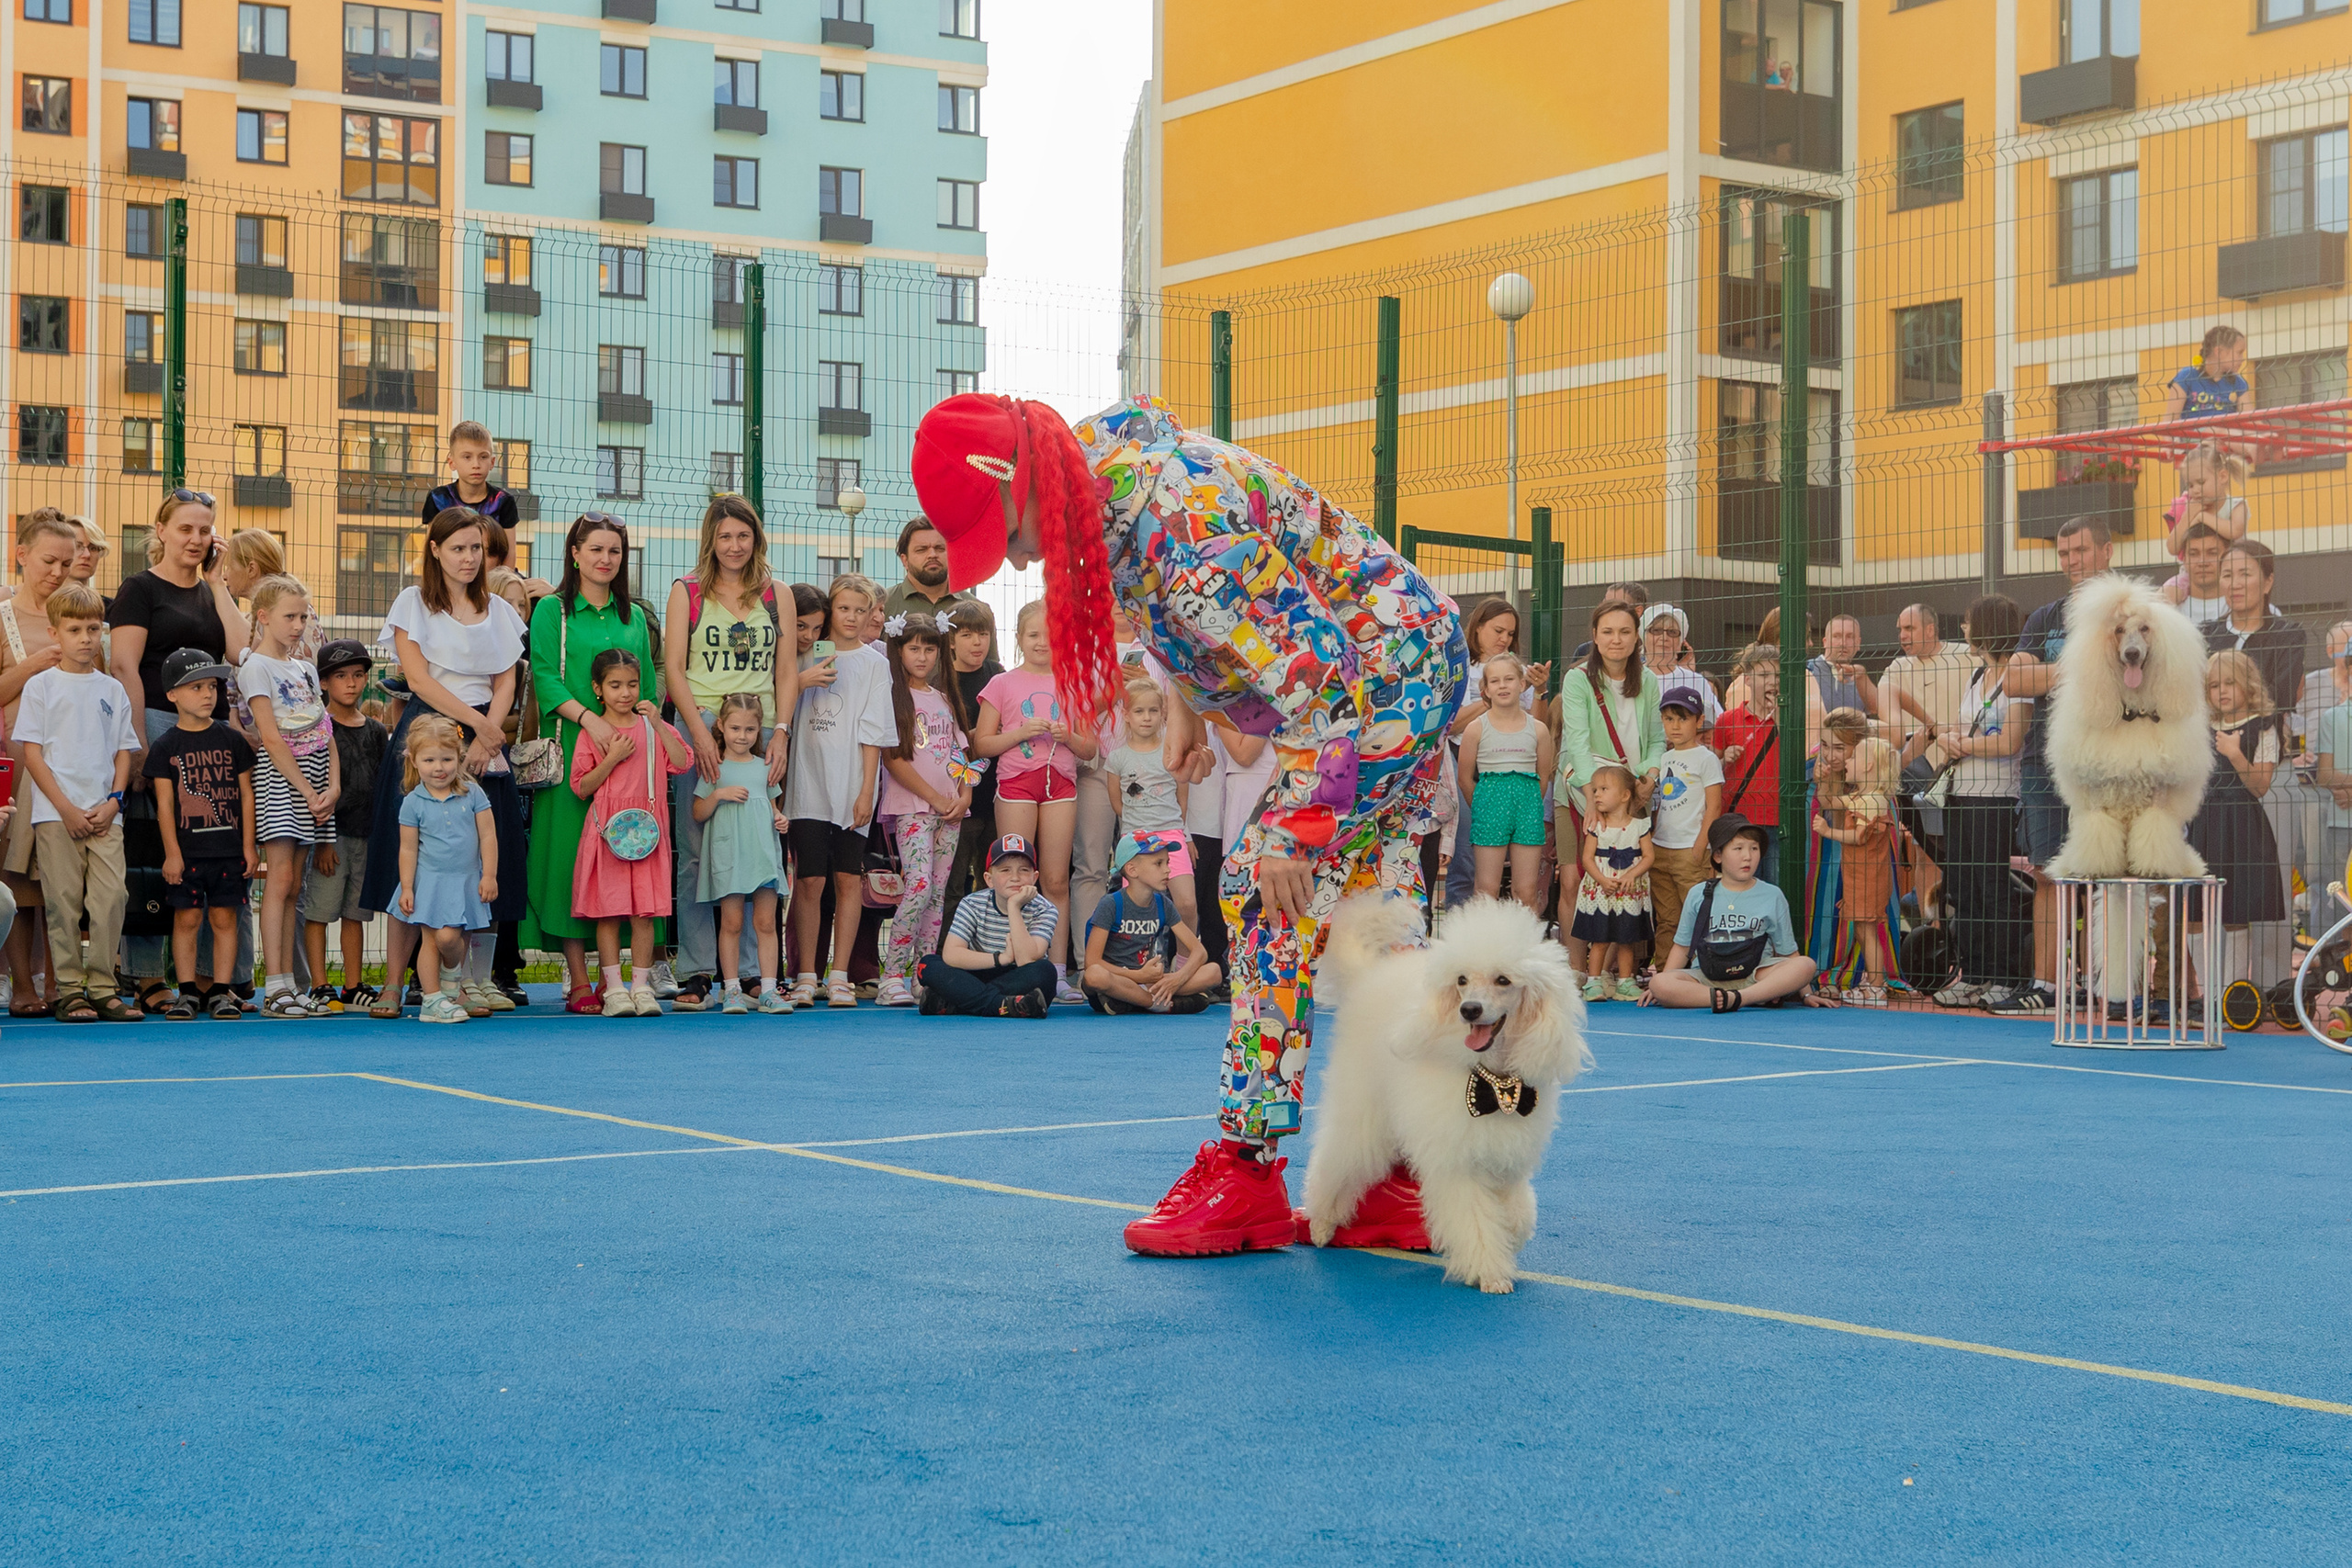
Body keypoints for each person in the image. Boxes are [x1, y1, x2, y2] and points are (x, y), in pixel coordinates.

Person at [910, 391, 1464, 1257]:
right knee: (1379, 915)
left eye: (1006, 531)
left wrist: (1294, 827)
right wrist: (1195, 709)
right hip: (1401, 656)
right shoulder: (1100, 480)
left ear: (1023, 479)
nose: (1015, 556)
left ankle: (1248, 1169)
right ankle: (1399, 1174)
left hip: (1385, 678)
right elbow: (1188, 619)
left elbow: (1327, 685)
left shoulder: (1185, 532)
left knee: (1262, 884)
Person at [357, 508, 529, 1021]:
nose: (468, 558)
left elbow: (506, 680)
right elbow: (421, 680)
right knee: (406, 858)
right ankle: (393, 982)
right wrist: (475, 728)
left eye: (476, 548)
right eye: (457, 548)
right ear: (435, 550)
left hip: (484, 739)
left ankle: (468, 984)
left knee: (479, 859)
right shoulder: (413, 603)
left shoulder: (499, 610)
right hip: (427, 733)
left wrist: (488, 736)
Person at [109, 489, 250, 1013]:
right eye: (186, 528)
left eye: (205, 530)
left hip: (210, 733)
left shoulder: (211, 589)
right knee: (150, 854)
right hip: (154, 723)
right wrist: (140, 743)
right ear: (162, 530)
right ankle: (146, 975)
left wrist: (217, 584)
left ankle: (218, 980)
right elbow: (125, 666)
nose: (195, 539)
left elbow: (237, 652)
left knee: (214, 850)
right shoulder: (139, 588)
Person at [662, 496, 797, 1010]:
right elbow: (674, 666)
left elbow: (786, 670)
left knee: (759, 847)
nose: (734, 546)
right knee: (698, 850)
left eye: (743, 536)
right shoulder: (688, 591)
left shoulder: (775, 593)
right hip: (700, 724)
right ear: (710, 541)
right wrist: (698, 731)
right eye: (724, 537)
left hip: (757, 728)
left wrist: (781, 730)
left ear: (755, 539)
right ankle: (698, 971)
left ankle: (751, 976)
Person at [524, 513, 657, 1014]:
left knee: (628, 861)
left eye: (615, 551)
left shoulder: (636, 617)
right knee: (570, 866)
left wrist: (642, 716)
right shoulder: (551, 611)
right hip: (573, 755)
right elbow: (543, 678)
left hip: (630, 762)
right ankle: (578, 978)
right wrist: (592, 721)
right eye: (595, 549)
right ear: (574, 553)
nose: (605, 559)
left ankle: (622, 979)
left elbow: (650, 679)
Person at [1997, 516, 2114, 1017]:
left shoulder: (2123, 611)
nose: (2071, 562)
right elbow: (2014, 682)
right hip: (2046, 761)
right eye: (2064, 553)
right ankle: (2047, 985)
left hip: (2108, 760)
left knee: (2104, 874)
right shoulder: (2045, 616)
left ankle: (2098, 981)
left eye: (2080, 551)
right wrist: (2080, 670)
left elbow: (2126, 676)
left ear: (2106, 551)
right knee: (2047, 873)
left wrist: (2044, 675)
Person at [18, 584, 142, 1021]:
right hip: (57, 815)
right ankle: (70, 989)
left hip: (106, 814)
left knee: (111, 897)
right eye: (75, 629)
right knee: (63, 901)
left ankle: (105, 988)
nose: (86, 638)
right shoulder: (41, 687)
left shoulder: (112, 689)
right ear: (56, 633)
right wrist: (66, 809)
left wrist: (113, 802)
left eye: (94, 628)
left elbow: (123, 751)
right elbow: (32, 754)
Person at [972, 600, 1095, 1003]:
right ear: (1020, 638)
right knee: (1015, 880)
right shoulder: (1003, 684)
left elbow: (1089, 748)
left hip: (1061, 785)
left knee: (1056, 880)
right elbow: (983, 743)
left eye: (1051, 634)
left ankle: (1057, 973)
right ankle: (1014, 968)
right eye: (1034, 635)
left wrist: (1068, 738)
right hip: (1015, 786)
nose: (1043, 642)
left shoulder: (1074, 681)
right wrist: (1021, 732)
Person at [783, 574, 895, 1007]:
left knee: (848, 880)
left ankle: (841, 974)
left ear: (872, 616)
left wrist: (866, 790)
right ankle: (807, 974)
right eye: (843, 608)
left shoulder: (875, 664)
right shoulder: (805, 651)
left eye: (860, 610)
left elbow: (873, 733)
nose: (851, 617)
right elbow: (781, 708)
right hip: (806, 787)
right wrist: (802, 676)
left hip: (851, 788)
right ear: (832, 610)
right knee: (809, 881)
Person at [571, 649, 695, 1018]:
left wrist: (658, 724)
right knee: (609, 913)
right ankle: (614, 988)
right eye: (614, 685)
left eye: (632, 684)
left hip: (648, 833)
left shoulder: (650, 727)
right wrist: (611, 758)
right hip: (609, 833)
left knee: (645, 915)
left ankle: (641, 986)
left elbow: (682, 761)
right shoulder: (593, 732)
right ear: (598, 688)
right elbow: (581, 786)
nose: (624, 693)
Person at [239, 576, 338, 1018]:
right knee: (278, 882)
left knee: (295, 886)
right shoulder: (255, 667)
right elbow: (270, 737)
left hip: (316, 782)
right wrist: (305, 789)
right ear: (263, 617)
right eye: (290, 617)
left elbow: (325, 729)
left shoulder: (306, 668)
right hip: (284, 781)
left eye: (304, 616)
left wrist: (331, 787)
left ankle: (291, 985)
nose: (299, 625)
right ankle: (275, 986)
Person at [144, 648, 257, 1022]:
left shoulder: (233, 740)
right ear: (172, 695)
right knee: (187, 921)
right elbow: (164, 806)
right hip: (188, 853)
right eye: (196, 687)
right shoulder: (165, 747)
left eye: (212, 686)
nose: (208, 694)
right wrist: (172, 854)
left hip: (228, 851)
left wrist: (249, 847)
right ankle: (187, 994)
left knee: (225, 920)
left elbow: (245, 795)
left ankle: (222, 993)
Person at [0, 513, 84, 1016]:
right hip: (17, 766)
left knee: (65, 877)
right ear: (22, 553)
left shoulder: (81, 612)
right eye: (48, 561)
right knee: (16, 876)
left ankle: (61, 984)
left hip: (73, 763)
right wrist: (29, 667)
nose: (57, 572)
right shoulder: (4, 617)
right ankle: (22, 987)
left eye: (67, 563)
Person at [1932, 594, 2032, 1010]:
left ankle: (2005, 977)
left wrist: (1965, 744)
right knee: (1964, 888)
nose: (1964, 630)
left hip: (1995, 797)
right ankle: (1972, 974)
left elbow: (2011, 741)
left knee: (1994, 889)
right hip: (1961, 795)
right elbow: (1955, 727)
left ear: (1988, 626)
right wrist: (1947, 739)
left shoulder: (2020, 677)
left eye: (1970, 623)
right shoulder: (1978, 676)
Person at [1555, 599, 1662, 973]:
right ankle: (1576, 971)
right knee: (1574, 880)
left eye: (1625, 632)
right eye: (1608, 632)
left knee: (1625, 881)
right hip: (1582, 791)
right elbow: (1578, 741)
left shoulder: (1648, 681)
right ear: (1595, 638)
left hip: (1632, 795)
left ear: (1637, 639)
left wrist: (1649, 777)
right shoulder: (1577, 679)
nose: (1616, 640)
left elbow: (1657, 742)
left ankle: (1612, 971)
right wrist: (1591, 797)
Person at [875, 613, 973, 1008]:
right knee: (917, 886)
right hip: (914, 808)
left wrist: (964, 795)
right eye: (913, 647)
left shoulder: (945, 699)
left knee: (937, 893)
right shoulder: (892, 697)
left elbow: (959, 753)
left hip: (951, 811)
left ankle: (923, 973)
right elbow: (894, 760)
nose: (922, 656)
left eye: (929, 648)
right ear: (898, 649)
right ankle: (892, 976)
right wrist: (935, 797)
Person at [1642, 813, 1825, 1011]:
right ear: (1718, 855)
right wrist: (1662, 984)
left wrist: (1806, 994)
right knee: (1660, 983)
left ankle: (1739, 998)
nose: (1748, 856)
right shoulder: (1699, 894)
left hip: (1755, 976)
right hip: (1706, 977)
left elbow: (1789, 953)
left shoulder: (1772, 895)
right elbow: (1682, 947)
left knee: (1805, 965)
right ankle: (1729, 998)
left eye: (1754, 848)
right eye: (1738, 849)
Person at [2188, 650, 2287, 992]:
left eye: (2230, 682)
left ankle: (2233, 994)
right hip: (2202, 823)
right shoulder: (2198, 727)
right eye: (2214, 685)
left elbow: (2260, 786)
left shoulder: (2264, 726)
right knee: (2194, 911)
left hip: (2242, 825)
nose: (2222, 691)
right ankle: (2207, 993)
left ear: (2249, 683)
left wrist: (2235, 753)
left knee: (2235, 911)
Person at [689, 692, 794, 1014]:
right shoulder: (714, 768)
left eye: (750, 730)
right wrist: (719, 794)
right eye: (735, 729)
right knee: (731, 923)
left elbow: (773, 807)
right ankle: (731, 989)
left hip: (762, 855)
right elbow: (697, 812)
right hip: (729, 857)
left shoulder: (765, 768)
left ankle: (768, 989)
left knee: (766, 923)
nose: (742, 736)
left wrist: (780, 819)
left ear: (759, 730)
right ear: (721, 726)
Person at [301, 639, 388, 1013]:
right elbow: (318, 786)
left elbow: (382, 785)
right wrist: (322, 841)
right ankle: (319, 983)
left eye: (357, 675)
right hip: (330, 838)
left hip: (365, 835)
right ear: (323, 683)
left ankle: (353, 985)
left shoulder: (376, 730)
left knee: (356, 913)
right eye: (340, 676)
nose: (351, 684)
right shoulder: (318, 728)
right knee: (320, 911)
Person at [1447, 599, 1547, 912]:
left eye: (1510, 633)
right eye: (1498, 630)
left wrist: (1539, 692)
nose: (1504, 638)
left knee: (1523, 886)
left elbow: (1534, 726)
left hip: (1516, 778)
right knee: (1466, 859)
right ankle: (1460, 936)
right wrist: (1492, 703)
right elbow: (1453, 725)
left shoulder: (1519, 671)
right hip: (1465, 759)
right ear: (1477, 627)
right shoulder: (1460, 665)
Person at [395, 716, 497, 1025]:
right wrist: (408, 887)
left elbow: (488, 836)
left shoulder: (474, 794)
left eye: (446, 759)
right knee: (432, 939)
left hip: (465, 880)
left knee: (452, 938)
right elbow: (408, 849)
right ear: (414, 760)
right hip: (430, 883)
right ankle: (433, 999)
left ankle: (451, 978)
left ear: (459, 756)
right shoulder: (412, 802)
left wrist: (489, 875)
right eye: (429, 760)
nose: (438, 767)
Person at [915, 831, 1058, 1018]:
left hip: (1017, 975)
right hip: (977, 971)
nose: (1015, 877)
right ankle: (1002, 1005)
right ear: (989, 879)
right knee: (927, 965)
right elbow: (952, 954)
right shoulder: (971, 903)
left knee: (1046, 972)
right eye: (1005, 870)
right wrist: (1002, 958)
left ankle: (957, 1003)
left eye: (1023, 870)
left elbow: (1026, 960)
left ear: (1034, 877)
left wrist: (1014, 907)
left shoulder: (1045, 909)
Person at [1082, 829, 1219, 1013]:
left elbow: (1199, 951)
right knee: (1094, 976)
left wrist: (1177, 978)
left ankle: (1135, 1001)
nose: (1168, 869)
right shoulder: (1111, 904)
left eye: (1167, 862)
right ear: (1132, 869)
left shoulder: (1163, 903)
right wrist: (1137, 975)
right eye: (1158, 864)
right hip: (1119, 978)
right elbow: (1092, 962)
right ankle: (1158, 1003)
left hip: (1149, 981)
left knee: (1214, 972)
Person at [1102, 678, 1202, 931]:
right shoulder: (1117, 759)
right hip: (1136, 842)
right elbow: (1117, 803)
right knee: (1138, 910)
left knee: (1187, 903)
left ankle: (1184, 963)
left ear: (1162, 713)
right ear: (1126, 715)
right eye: (1139, 711)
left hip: (1172, 835)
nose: (1146, 717)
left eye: (1153, 711)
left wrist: (1185, 834)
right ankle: (1139, 964)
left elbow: (1182, 800)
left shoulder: (1171, 754)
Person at [1876, 602, 1974, 852]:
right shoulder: (1897, 667)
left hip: (1965, 769)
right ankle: (1926, 893)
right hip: (1918, 773)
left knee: (1964, 848)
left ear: (1931, 630)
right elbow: (1882, 707)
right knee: (1924, 851)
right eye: (1900, 629)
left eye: (1910, 628)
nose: (1902, 635)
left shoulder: (1966, 656)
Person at [1813, 737, 1902, 1006]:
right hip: (1859, 874)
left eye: (1853, 758)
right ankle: (1874, 981)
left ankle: (1876, 986)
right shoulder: (1859, 796)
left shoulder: (1872, 800)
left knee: (1867, 929)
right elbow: (1828, 801)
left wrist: (1829, 832)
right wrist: (1824, 779)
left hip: (1868, 876)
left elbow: (1860, 836)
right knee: (1863, 930)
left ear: (1869, 765)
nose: (1847, 761)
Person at [1649, 690, 1723, 971]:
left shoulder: (1706, 758)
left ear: (1699, 720)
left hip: (1690, 851)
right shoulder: (1663, 758)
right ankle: (1667, 973)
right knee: (1667, 918)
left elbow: (1714, 807)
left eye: (1683, 719)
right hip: (1660, 848)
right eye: (1669, 719)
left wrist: (1699, 847)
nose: (1675, 726)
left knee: (1697, 915)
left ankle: (1702, 971)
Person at [938, 599, 1003, 910]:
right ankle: (943, 955)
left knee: (993, 882)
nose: (978, 642)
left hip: (996, 793)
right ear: (950, 640)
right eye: (967, 635)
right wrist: (983, 737)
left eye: (983, 634)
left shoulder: (997, 673)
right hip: (956, 798)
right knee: (952, 884)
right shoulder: (940, 679)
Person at [1571, 763, 1654, 1000]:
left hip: (1629, 891)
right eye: (1595, 790)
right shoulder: (1596, 826)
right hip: (1601, 889)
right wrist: (1602, 879)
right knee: (1600, 938)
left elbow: (1649, 856)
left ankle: (1625, 982)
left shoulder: (1640, 826)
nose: (1596, 794)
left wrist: (1632, 874)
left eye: (1603, 789)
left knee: (1626, 939)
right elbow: (1587, 858)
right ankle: (1594, 981)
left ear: (1625, 795)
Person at [2203, 539, 2304, 714]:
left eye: (2245, 574)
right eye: (2227, 575)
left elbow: (2282, 696)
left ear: (2267, 582)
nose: (2235, 584)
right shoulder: (2207, 635)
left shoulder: (2287, 636)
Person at [1714, 644, 1784, 869]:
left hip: (1775, 819)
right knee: (1738, 881)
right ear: (1747, 680)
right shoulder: (1727, 720)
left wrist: (1783, 717)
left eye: (1777, 675)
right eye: (1764, 674)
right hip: (1738, 819)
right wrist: (1725, 758)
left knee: (1774, 886)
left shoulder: (1791, 721)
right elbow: (1712, 768)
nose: (1772, 681)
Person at [882, 517, 991, 658]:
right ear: (905, 560)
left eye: (940, 548)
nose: (932, 555)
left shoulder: (976, 608)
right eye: (921, 550)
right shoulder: (883, 606)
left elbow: (990, 668)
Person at [422, 420, 523, 538]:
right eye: (467, 457)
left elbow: (509, 554)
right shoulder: (438, 499)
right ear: (452, 462)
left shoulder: (503, 502)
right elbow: (432, 549)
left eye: (483, 457)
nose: (476, 464)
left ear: (492, 462)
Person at [1640, 604, 1720, 725]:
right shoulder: (1631, 677)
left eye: (1672, 632)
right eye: (1656, 630)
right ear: (1643, 638)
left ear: (1680, 643)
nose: (1664, 637)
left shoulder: (1695, 680)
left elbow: (1717, 721)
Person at [2165, 325, 2252, 423]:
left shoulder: (2237, 382)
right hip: (2194, 435)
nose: (2242, 358)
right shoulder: (2187, 377)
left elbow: (2250, 419)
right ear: (2219, 352)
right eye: (2239, 353)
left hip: (2227, 435)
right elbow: (2170, 421)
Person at [1811, 614, 1879, 720]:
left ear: (1858, 643)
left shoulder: (1859, 677)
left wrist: (1863, 679)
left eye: (1850, 637)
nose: (1843, 643)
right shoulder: (1808, 669)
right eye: (1836, 636)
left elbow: (1877, 708)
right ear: (1825, 642)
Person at [2170, 523, 2231, 626]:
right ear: (2184, 559)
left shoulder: (2248, 609)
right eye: (2194, 554)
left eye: (2212, 553)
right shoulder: (2168, 611)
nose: (2202, 562)